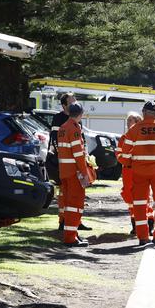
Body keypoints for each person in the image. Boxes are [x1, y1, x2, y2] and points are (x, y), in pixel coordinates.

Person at [119, 101, 155, 247]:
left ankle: (143, 237)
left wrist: (129, 163)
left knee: (139, 204)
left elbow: (125, 152)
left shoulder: (134, 129)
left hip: (139, 172)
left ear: (143, 113)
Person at [49, 93, 91, 231]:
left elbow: (81, 141)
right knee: (66, 193)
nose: (74, 103)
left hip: (73, 162)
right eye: (71, 101)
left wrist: (87, 156)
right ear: (64, 105)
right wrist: (63, 157)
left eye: (75, 101)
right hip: (62, 162)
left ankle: (75, 221)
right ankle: (64, 221)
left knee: (74, 194)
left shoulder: (76, 121)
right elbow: (55, 140)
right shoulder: (59, 118)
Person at [57, 103, 91, 247]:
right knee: (75, 205)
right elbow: (78, 154)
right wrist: (85, 173)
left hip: (64, 172)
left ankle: (72, 235)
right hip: (74, 173)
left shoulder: (62, 128)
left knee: (67, 204)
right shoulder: (74, 128)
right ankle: (71, 238)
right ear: (80, 114)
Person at [116, 112, 155, 235]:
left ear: (138, 123)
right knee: (129, 196)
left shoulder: (144, 137)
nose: (128, 124)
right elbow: (118, 154)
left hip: (141, 170)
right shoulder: (124, 137)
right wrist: (128, 159)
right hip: (128, 170)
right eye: (127, 121)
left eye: (130, 121)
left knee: (144, 197)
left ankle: (149, 224)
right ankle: (135, 224)